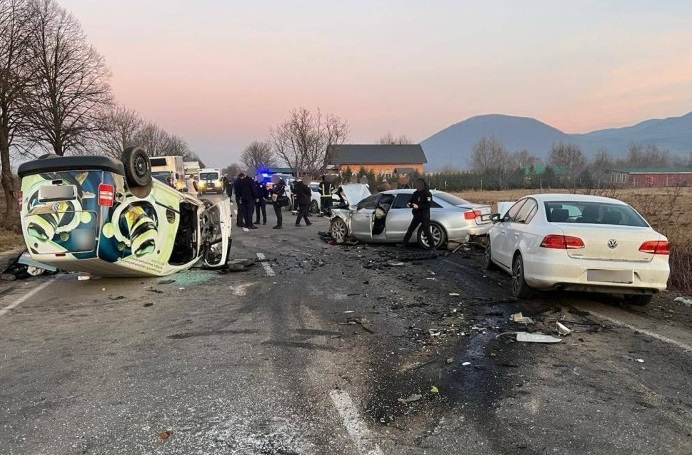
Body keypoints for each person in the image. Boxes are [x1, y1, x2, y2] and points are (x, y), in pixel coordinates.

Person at [401, 178, 434, 248]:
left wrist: (418, 206)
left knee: (426, 230)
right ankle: (404, 244)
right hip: (417, 215)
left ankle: (432, 246)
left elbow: (428, 205)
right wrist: (409, 204)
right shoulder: (415, 193)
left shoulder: (427, 194)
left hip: (424, 215)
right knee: (410, 229)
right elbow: (411, 201)